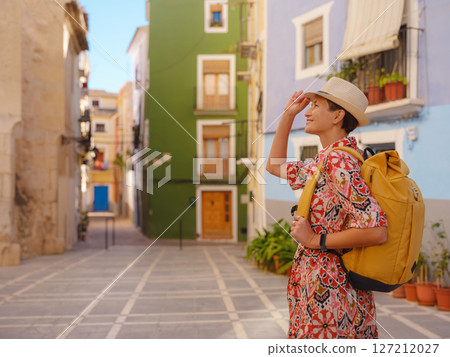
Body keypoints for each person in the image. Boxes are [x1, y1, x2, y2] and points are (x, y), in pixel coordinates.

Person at [266, 77, 388, 339]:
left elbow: (377, 230)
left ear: (338, 116)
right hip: (323, 285)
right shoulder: (326, 160)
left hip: (331, 291)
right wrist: (287, 116)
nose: (307, 111)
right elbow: (275, 166)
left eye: (316, 105)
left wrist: (314, 238)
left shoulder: (337, 161)